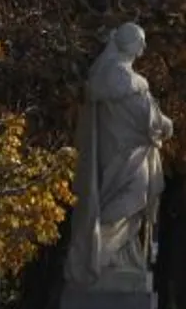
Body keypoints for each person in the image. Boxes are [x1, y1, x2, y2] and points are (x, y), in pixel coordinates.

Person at [65, 22, 175, 289]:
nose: (144, 48)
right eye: (141, 41)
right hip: (126, 156)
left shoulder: (113, 75)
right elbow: (145, 118)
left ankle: (117, 255)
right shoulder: (121, 78)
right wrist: (165, 125)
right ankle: (96, 250)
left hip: (120, 153)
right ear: (130, 44)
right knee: (132, 199)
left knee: (127, 205)